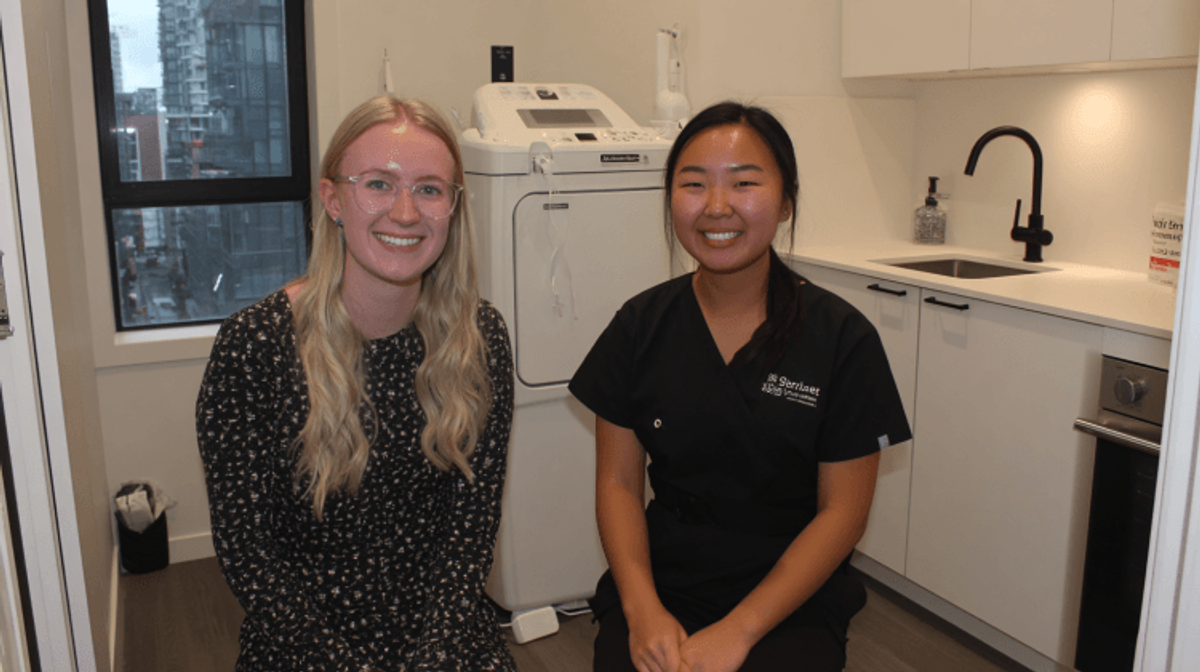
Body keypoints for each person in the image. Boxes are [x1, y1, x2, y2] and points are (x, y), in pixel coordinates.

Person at [569, 102, 912, 672]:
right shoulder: (639, 326)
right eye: (694, 184)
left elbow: (843, 513)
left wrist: (740, 630)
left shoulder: (842, 338)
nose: (717, 207)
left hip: (790, 592)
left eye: (744, 183)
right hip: (665, 579)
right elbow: (618, 483)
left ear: (785, 202)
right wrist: (643, 608)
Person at [196, 95, 517, 672]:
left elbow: (471, 533)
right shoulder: (255, 347)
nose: (405, 212)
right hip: (302, 643)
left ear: (453, 207)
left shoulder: (480, 338)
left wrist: (436, 654)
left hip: (443, 635)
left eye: (429, 189)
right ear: (332, 199)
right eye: (377, 184)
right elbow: (249, 553)